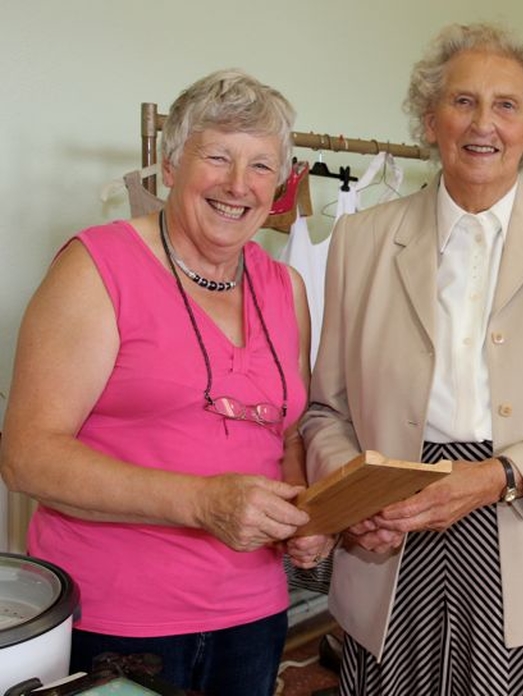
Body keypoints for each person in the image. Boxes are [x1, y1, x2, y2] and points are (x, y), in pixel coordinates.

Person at [300, 22, 523, 696]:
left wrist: (493, 478)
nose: (484, 123)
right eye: (462, 102)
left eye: (507, 105)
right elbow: (324, 411)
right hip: (391, 531)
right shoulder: (362, 239)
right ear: (431, 120)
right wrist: (354, 498)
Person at [0, 69, 330, 696]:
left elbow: (285, 433)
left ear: (281, 187)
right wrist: (202, 503)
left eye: (262, 166)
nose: (239, 186)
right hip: (119, 616)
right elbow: (26, 458)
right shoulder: (98, 268)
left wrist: (306, 510)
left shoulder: (286, 289)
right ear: (171, 165)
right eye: (218, 157)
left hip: (254, 610)